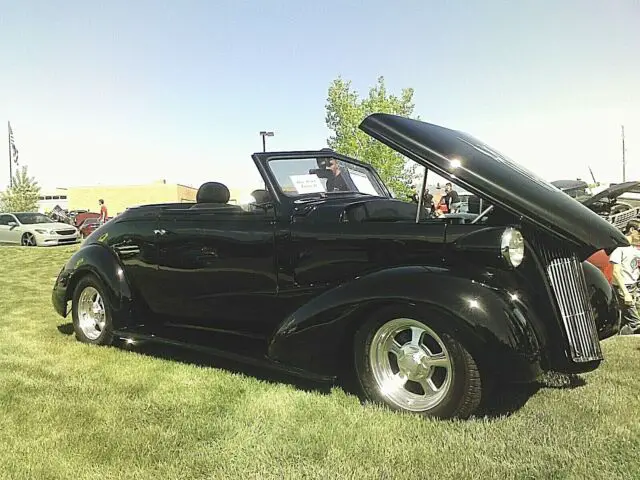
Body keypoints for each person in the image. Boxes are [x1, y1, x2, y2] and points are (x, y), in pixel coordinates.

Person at [609, 219, 640, 335]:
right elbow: (615, 272)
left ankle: (618, 336)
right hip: (623, 288)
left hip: (633, 286)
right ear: (632, 230)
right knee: (635, 322)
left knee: (625, 318)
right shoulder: (619, 249)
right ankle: (625, 339)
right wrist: (626, 293)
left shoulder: (633, 249)